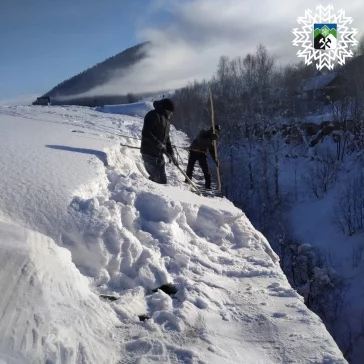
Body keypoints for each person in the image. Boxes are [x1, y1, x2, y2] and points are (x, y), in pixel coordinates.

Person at [140, 98, 178, 184]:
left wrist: (171, 154)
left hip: (158, 155)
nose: (171, 114)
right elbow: (146, 133)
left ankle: (149, 194)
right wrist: (158, 143)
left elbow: (167, 139)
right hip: (149, 153)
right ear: (166, 109)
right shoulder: (153, 115)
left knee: (160, 181)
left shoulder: (166, 121)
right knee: (159, 182)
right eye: (170, 112)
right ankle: (146, 194)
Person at [185, 125, 220, 189]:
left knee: (206, 171)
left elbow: (212, 152)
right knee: (190, 168)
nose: (216, 134)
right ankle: (187, 182)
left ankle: (208, 187)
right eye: (216, 132)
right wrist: (210, 138)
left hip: (202, 154)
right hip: (193, 152)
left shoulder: (212, 141)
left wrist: (216, 160)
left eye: (217, 133)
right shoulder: (203, 132)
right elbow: (200, 139)